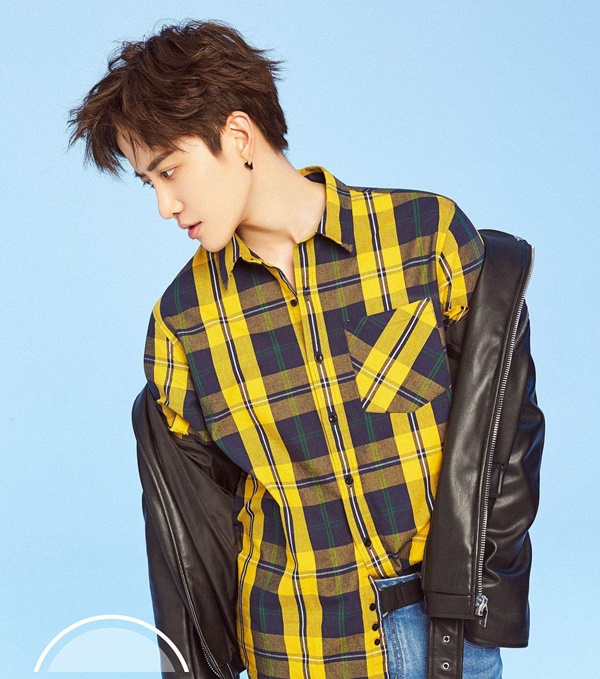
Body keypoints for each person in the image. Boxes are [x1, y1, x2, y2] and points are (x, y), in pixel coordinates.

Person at [67, 18, 544, 679]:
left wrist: (482, 594)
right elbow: (194, 539)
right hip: (297, 646)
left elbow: (507, 431)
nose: (164, 205)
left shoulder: (423, 237)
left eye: (170, 170)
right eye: (150, 183)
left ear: (238, 137)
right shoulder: (183, 323)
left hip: (448, 635)